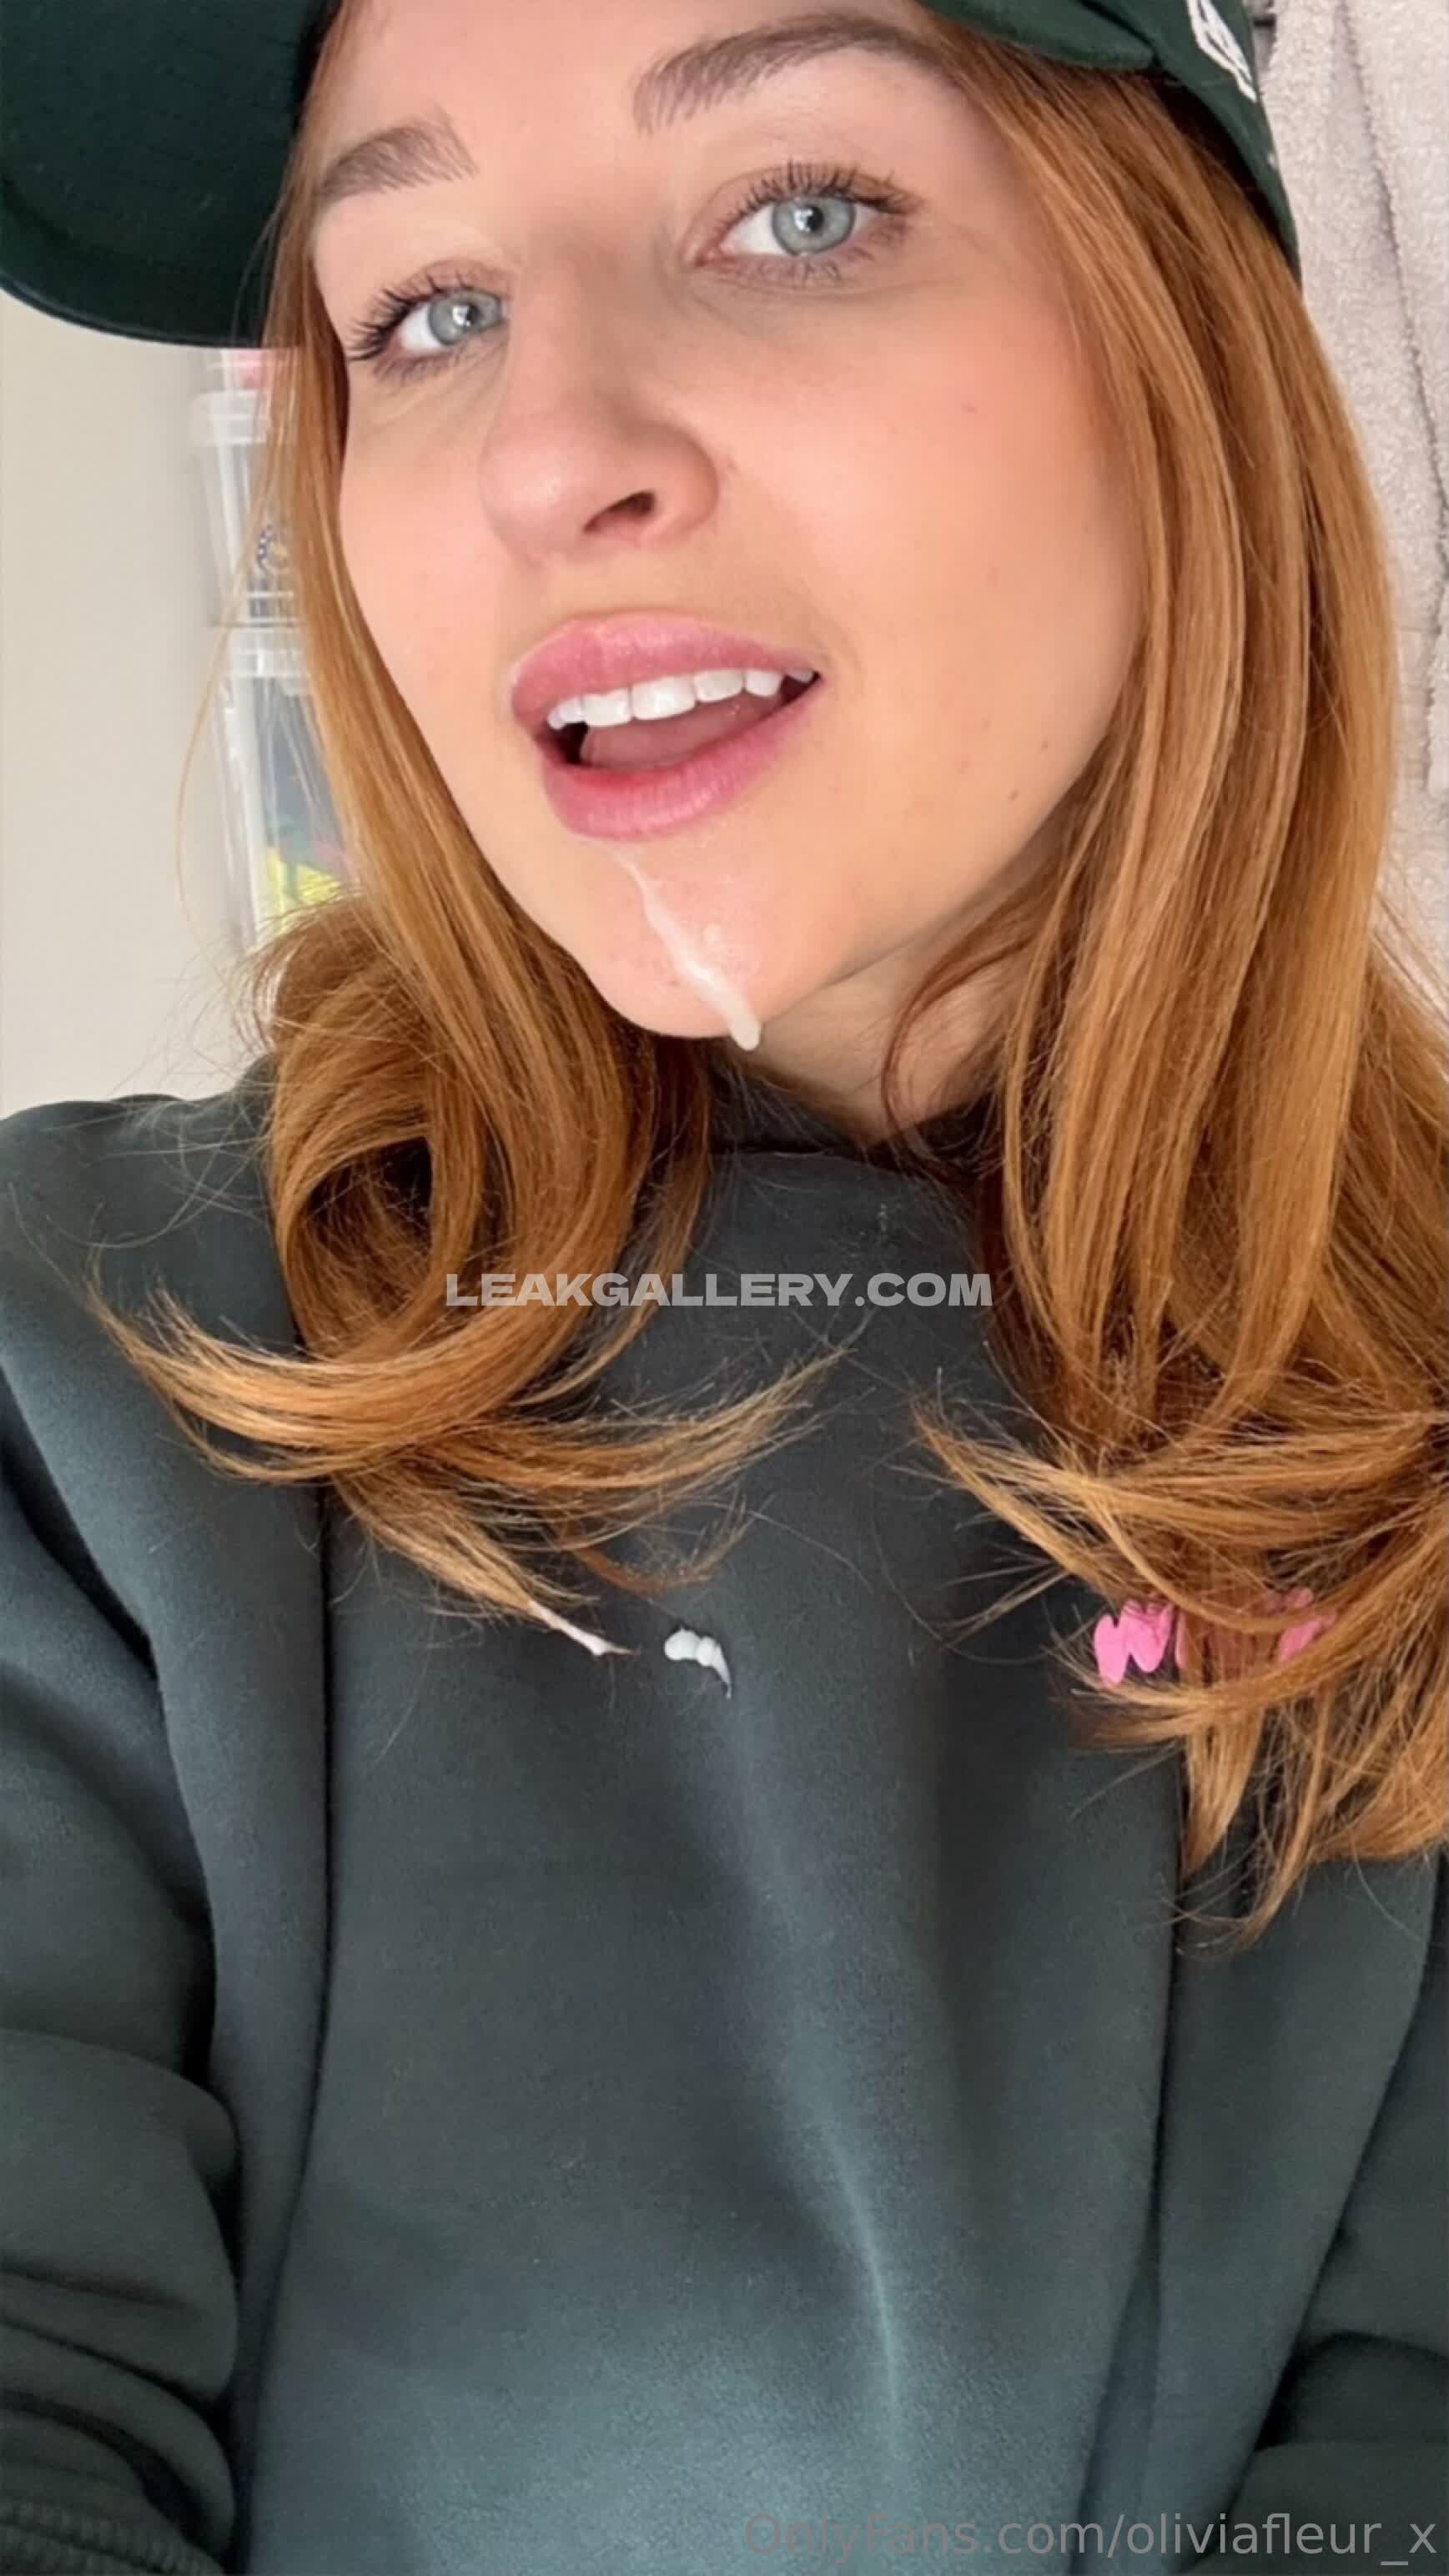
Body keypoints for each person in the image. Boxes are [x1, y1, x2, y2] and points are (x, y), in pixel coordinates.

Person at [0, 3, 1444, 2571]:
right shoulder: (79, 1385)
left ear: (1183, 354)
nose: (545, 451)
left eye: (796, 213)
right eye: (426, 309)